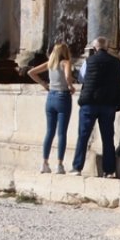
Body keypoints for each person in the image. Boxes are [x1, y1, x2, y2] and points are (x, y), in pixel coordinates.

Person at [70, 37, 120, 178]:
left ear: (94, 48)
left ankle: (77, 168)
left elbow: (81, 78)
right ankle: (109, 170)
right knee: (108, 137)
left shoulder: (88, 61)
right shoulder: (116, 62)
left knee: (83, 136)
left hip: (89, 103)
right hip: (108, 104)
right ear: (107, 47)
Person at [27, 43, 75, 174]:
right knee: (61, 133)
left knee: (49, 132)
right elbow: (67, 76)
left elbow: (31, 72)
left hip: (50, 97)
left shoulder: (50, 64)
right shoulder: (66, 63)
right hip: (62, 97)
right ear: (65, 52)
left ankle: (44, 163)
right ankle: (59, 164)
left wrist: (43, 84)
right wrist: (70, 86)